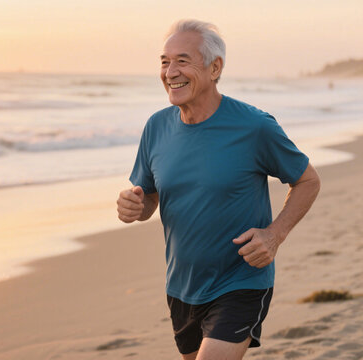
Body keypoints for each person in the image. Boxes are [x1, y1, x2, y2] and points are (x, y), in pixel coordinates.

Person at [116, 19, 321, 360]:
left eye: (183, 60)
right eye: (165, 62)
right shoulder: (156, 127)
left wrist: (275, 235)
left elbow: (308, 180)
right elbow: (148, 197)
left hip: (241, 281)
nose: (170, 72)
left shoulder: (254, 127)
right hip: (182, 287)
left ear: (215, 68)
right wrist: (135, 206)